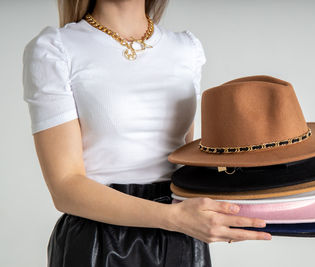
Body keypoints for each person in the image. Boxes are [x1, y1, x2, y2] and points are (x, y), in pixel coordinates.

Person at [22, 0, 272, 266]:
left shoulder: (186, 49)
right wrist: (173, 218)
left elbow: (185, 162)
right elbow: (65, 188)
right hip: (101, 239)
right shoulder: (57, 49)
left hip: (182, 235)